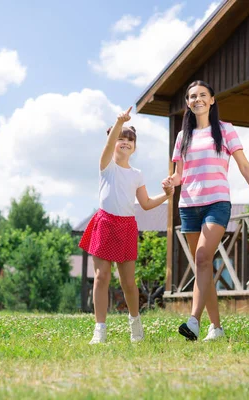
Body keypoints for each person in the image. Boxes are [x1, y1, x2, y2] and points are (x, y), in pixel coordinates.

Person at [162, 80, 249, 341]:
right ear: (187, 103)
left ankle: (193, 321)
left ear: (212, 100)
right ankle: (217, 328)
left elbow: (244, 166)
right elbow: (179, 175)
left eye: (202, 95)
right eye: (192, 96)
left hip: (217, 203)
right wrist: (170, 182)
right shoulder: (182, 136)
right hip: (188, 205)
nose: (197, 99)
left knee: (202, 257)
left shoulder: (225, 130)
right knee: (204, 265)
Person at [80, 106, 174, 344]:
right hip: (105, 223)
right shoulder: (106, 166)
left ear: (135, 147)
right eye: (121, 137)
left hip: (127, 227)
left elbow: (145, 203)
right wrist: (120, 122)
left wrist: (167, 195)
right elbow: (108, 146)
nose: (125, 142)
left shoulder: (137, 174)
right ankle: (99, 329)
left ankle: (135, 324)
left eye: (130, 139)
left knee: (128, 283)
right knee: (101, 277)